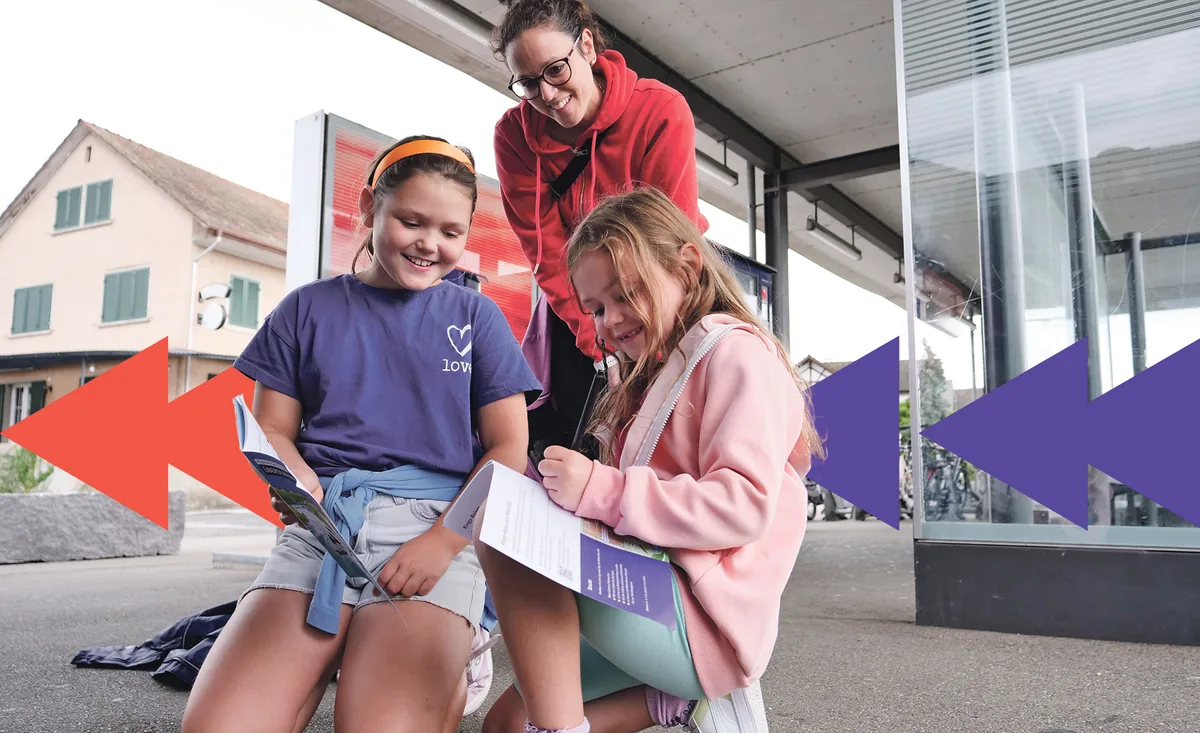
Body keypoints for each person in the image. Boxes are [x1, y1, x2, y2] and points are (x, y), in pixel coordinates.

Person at [181, 136, 542, 733]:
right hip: (324, 531)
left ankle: (454, 644)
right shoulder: (304, 309)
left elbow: (509, 448)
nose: (431, 243)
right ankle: (354, 645)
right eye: (411, 221)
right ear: (369, 204)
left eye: (451, 232)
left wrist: (444, 542)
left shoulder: (478, 319)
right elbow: (272, 427)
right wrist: (295, 482)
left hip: (437, 529)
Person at [476, 186, 824, 733]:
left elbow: (742, 505)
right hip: (652, 597)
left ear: (686, 265)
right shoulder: (646, 376)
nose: (609, 320)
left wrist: (599, 490)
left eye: (626, 293)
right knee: (506, 724)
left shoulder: (737, 354)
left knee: (506, 534)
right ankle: (677, 706)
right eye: (595, 308)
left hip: (698, 622)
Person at [491, 0, 709, 465]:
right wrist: (599, 341)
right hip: (580, 308)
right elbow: (546, 251)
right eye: (527, 83)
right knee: (577, 445)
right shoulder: (513, 136)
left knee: (672, 437)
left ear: (586, 46)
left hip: (662, 291)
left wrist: (645, 339)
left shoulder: (660, 110)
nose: (546, 95)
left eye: (555, 70)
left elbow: (667, 239)